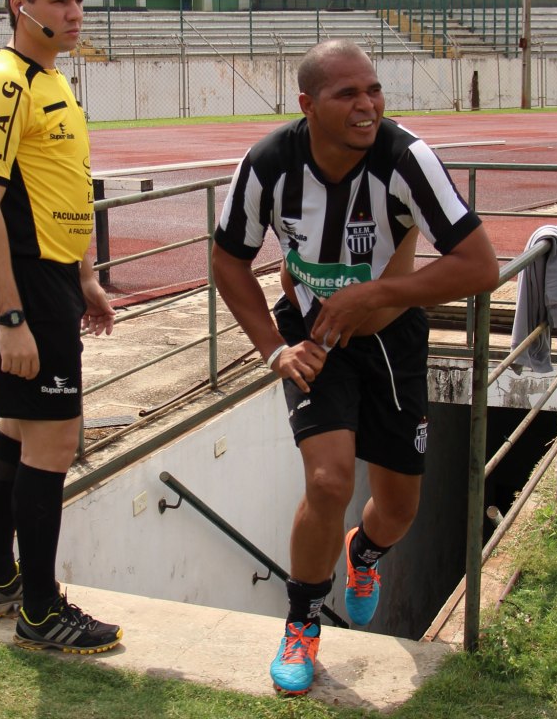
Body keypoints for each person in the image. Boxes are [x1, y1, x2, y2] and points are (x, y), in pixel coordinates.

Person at [212, 39, 499, 694]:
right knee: (329, 480)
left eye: (374, 90)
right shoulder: (267, 166)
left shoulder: (407, 159)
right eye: (349, 94)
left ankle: (362, 554)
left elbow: (481, 266)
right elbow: (228, 258)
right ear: (308, 105)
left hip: (392, 342)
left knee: (397, 507)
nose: (368, 105)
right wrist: (274, 349)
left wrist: (380, 293)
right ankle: (302, 624)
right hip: (313, 337)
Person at [0, 0, 122, 655]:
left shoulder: (52, 80)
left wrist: (85, 278)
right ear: (22, 6)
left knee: (22, 431)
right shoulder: (1, 83)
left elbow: (66, 191)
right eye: (62, 2)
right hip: (20, 282)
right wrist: (11, 317)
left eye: (81, 0)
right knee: (55, 438)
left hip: (54, 277)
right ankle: (41, 611)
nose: (76, 13)